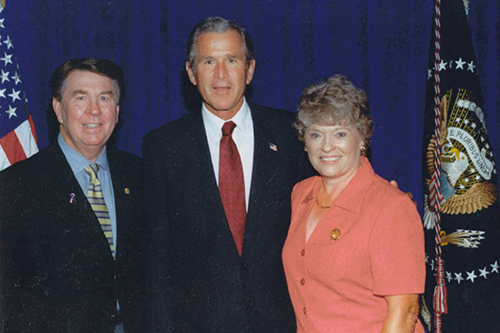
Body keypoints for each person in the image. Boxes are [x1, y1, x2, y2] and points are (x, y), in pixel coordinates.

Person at [143, 17, 311, 332]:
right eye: (209, 61)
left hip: (283, 323)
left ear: (249, 69)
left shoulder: (292, 134)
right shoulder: (163, 147)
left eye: (232, 60)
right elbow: (157, 260)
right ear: (191, 73)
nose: (221, 75)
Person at [0, 58, 147, 332]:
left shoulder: (141, 175)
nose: (94, 111)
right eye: (81, 98)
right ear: (59, 109)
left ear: (117, 110)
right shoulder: (17, 186)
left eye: (104, 98)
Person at [282, 75, 426, 332]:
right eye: (316, 134)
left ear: (362, 138)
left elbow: (404, 312)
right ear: (305, 142)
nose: (327, 147)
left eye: (339, 133)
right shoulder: (300, 195)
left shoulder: (390, 206)